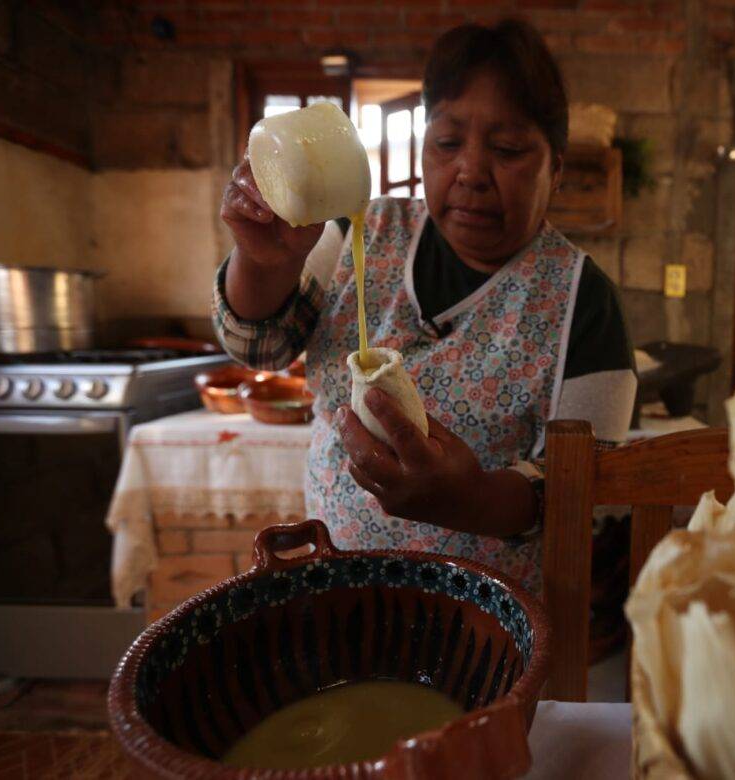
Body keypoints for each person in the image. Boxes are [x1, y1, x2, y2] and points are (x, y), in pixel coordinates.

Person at [214, 20, 636, 591]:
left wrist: (468, 500)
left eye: (508, 149)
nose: (471, 173)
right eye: (447, 143)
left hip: (487, 626)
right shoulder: (362, 230)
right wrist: (263, 262)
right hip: (338, 588)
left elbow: (587, 493)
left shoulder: (582, 299)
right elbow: (258, 346)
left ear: (555, 170)